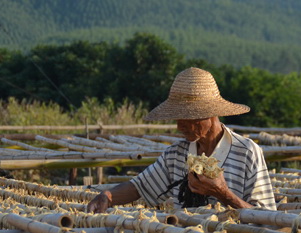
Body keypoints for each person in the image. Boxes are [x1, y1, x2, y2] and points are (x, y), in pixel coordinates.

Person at [87, 67, 276, 213]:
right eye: (178, 118)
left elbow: (267, 219)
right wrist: (107, 195)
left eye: (189, 118)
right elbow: (140, 187)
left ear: (210, 114)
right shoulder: (176, 154)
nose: (180, 126)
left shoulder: (246, 152)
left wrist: (223, 193)